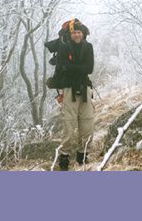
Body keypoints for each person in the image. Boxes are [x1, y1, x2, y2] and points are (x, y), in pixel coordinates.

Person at [55, 19, 94, 171]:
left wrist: (70, 68)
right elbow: (62, 67)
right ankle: (64, 156)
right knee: (68, 123)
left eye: (79, 32)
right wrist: (79, 68)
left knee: (87, 123)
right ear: (70, 34)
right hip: (69, 89)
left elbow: (89, 69)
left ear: (83, 34)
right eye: (74, 33)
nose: (77, 35)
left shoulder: (88, 47)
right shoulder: (64, 48)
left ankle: (82, 154)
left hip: (85, 88)